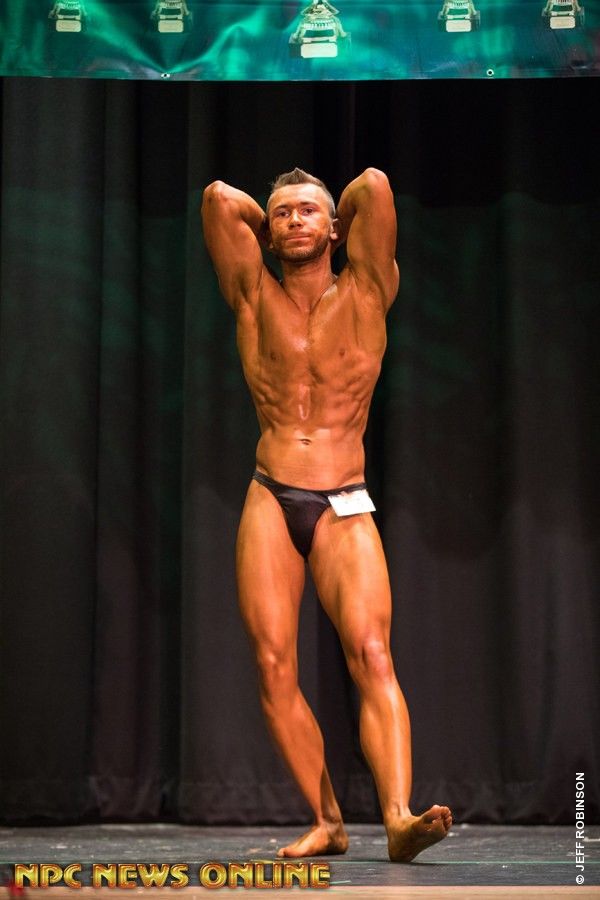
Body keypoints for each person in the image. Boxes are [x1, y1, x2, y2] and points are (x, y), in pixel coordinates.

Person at [201, 167, 452, 862]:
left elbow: (374, 185)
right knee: (272, 665)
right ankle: (327, 821)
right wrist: (272, 218)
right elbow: (217, 199)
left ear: (337, 228)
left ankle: (398, 818)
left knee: (371, 653)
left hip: (343, 500)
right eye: (282, 215)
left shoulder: (369, 288)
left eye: (308, 212)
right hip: (271, 493)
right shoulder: (252, 293)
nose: (293, 221)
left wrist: (325, 207)